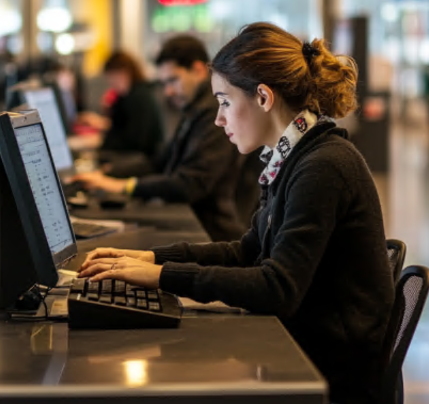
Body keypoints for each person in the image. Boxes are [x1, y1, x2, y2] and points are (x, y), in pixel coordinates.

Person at [78, 22, 395, 404]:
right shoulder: (295, 154)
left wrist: (163, 276)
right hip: (308, 347)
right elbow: (248, 251)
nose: (219, 118)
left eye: (225, 101)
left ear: (263, 97)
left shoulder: (323, 166)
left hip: (331, 373)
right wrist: (150, 259)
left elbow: (277, 289)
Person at [74, 35, 248, 242]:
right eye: (164, 83)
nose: (168, 91)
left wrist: (122, 186)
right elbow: (160, 159)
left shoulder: (213, 115)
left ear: (199, 70)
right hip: (198, 224)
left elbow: (190, 184)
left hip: (215, 234)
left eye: (173, 80)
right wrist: (108, 173)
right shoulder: (194, 109)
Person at [77, 51, 164, 163]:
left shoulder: (139, 97)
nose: (110, 82)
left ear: (123, 73)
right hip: (134, 156)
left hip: (140, 159)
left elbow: (135, 141)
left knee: (92, 163)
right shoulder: (129, 95)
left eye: (111, 77)